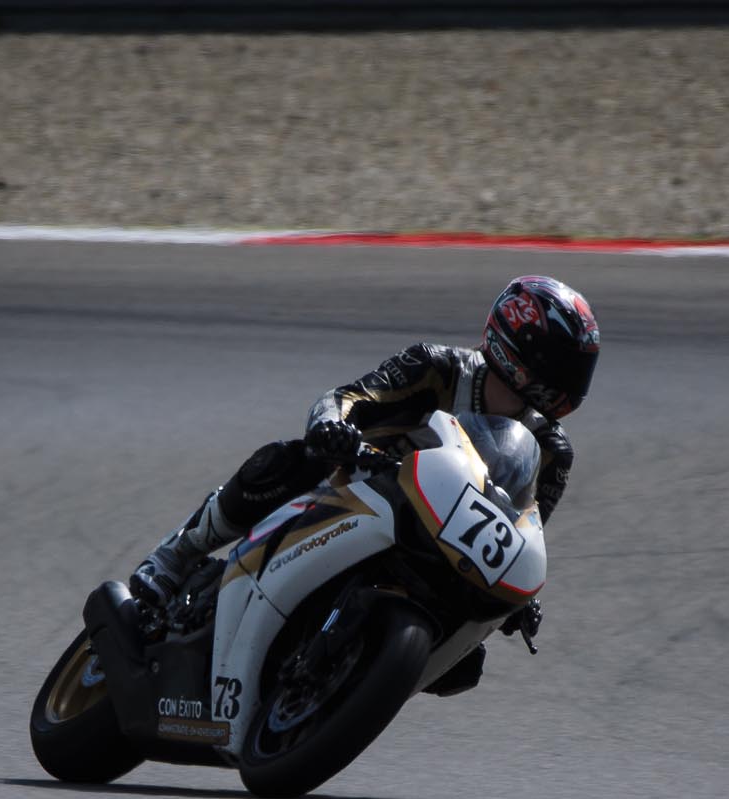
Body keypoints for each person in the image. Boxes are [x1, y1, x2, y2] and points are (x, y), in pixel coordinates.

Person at [127, 274, 600, 685]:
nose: (573, 380)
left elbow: (526, 526)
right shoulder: (437, 367)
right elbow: (347, 397)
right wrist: (332, 427)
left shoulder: (552, 451)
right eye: (566, 362)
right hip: (353, 488)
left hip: (437, 545)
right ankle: (175, 556)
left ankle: (343, 682)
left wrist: (520, 597)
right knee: (287, 461)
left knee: (465, 662)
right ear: (522, 346)